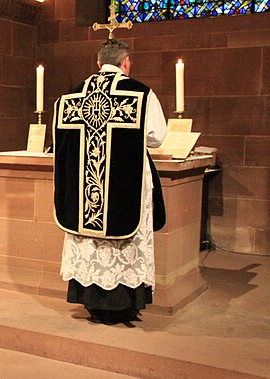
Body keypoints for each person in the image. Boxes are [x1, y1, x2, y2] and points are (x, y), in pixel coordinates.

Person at [52, 39, 167, 325]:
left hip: (83, 191)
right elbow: (157, 137)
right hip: (124, 188)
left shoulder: (70, 96)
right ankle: (124, 305)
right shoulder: (141, 94)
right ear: (125, 62)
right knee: (125, 241)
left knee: (89, 243)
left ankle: (91, 301)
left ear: (98, 62)